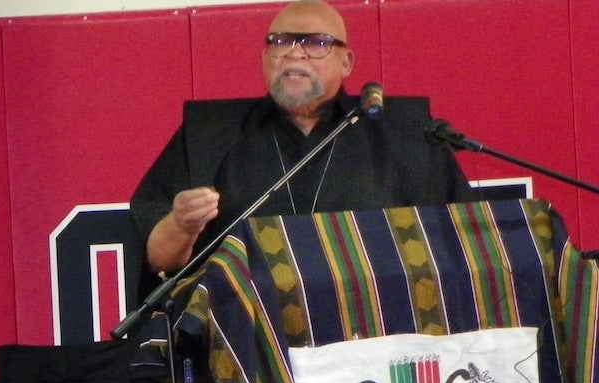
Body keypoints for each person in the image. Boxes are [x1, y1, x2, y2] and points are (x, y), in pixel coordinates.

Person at [129, 0, 474, 299]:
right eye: (280, 42)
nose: (295, 54)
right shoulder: (210, 136)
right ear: (265, 56)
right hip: (250, 341)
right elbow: (161, 262)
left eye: (316, 43)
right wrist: (180, 225)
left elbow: (463, 246)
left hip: (378, 332)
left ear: (347, 62)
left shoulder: (407, 136)